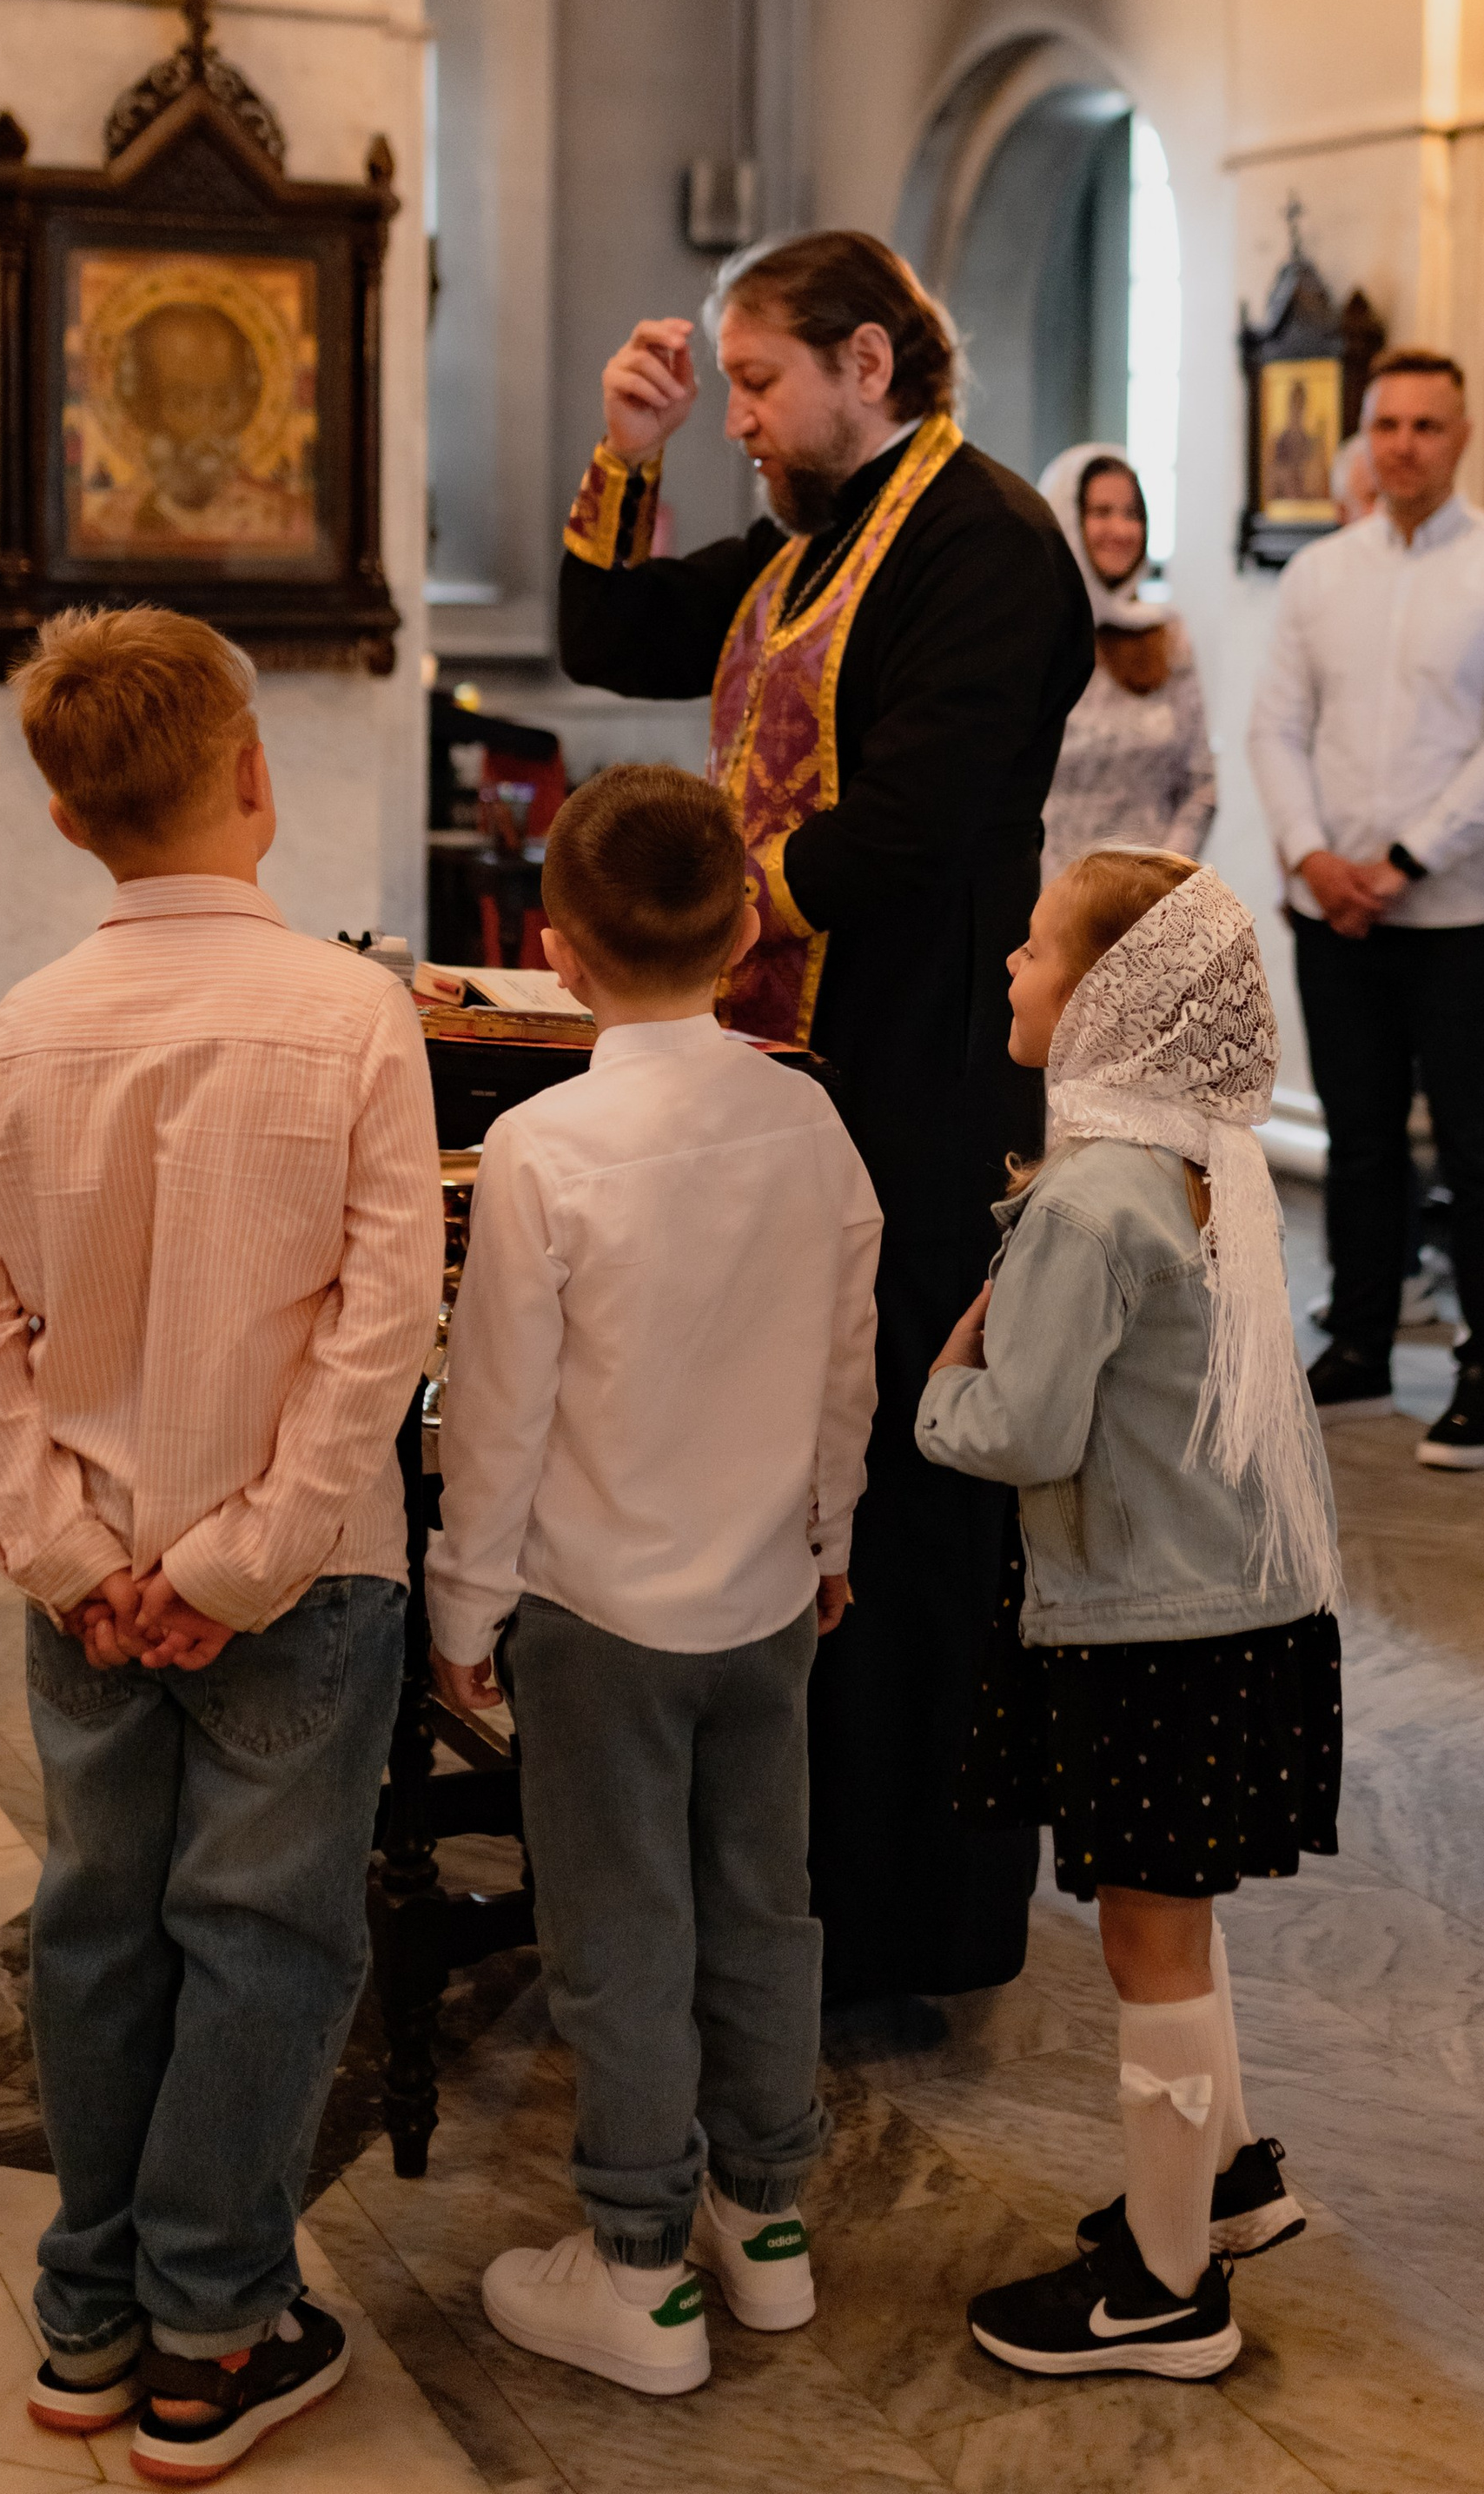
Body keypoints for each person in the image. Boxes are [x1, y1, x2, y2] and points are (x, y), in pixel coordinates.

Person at [0, 606, 442, 2483]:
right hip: (297, 1581)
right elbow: (388, 1317)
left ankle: (88, 2317)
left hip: (92, 1578)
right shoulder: (348, 1009)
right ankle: (213, 2331)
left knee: (95, 1925)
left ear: (69, 826)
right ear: (254, 780)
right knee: (265, 1939)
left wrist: (75, 1548)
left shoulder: (17, 1031)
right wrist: (250, 1553)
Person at [553, 230, 1094, 2009]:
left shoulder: (984, 543)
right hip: (795, 1070)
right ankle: (789, 1870)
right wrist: (620, 457)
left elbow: (919, 828)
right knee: (803, 1471)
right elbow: (613, 627)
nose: (742, 425)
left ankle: (907, 1918)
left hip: (921, 1075)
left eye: (757, 385)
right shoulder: (814, 541)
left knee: (916, 1496)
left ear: (867, 360)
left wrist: (693, 913)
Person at [425, 765, 880, 2396]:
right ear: (751, 924)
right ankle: (766, 2230)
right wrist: (832, 1531)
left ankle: (636, 2272)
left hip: (597, 1614)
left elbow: (500, 1413)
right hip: (767, 1598)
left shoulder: (546, 1146)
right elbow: (850, 1361)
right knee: (764, 1907)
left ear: (555, 950)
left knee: (621, 1935)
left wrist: (464, 1608)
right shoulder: (811, 1113)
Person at [917, 851, 1339, 2380]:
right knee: (1182, 1920)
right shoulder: (1195, 1161)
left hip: (1154, 1626)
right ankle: (1222, 2182)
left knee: (1149, 1950)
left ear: (1114, 998)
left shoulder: (1093, 1197)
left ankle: (1165, 2297)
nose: (1016, 973)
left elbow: (1022, 1430)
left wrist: (936, 1400)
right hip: (1238, 1606)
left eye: (1037, 951)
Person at [1246, 348, 1484, 1470]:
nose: (1402, 445)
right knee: (1361, 1142)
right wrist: (1311, 856)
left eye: (1426, 426)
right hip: (1333, 911)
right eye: (1386, 424)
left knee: (1482, 1149)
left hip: (1467, 917)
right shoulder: (1320, 574)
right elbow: (1278, 729)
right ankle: (1364, 1343)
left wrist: (1400, 860)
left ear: (1463, 436)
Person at [1038, 442, 1217, 863]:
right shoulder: (1031, 638)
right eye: (1101, 512)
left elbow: (1201, 783)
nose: (1120, 530)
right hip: (1047, 898)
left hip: (1147, 897)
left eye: (1132, 514)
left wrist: (1160, 878)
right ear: (1066, 519)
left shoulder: (1165, 632)